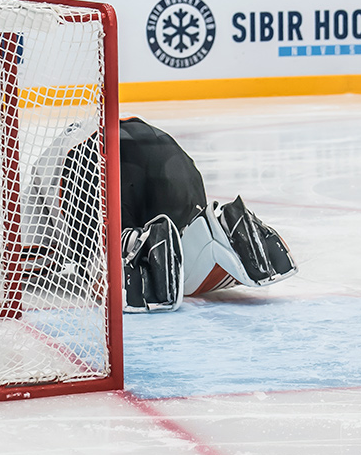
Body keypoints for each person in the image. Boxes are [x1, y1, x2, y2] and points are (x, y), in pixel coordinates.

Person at [21, 117, 298, 312]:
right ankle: (226, 227)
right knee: (188, 243)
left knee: (105, 266)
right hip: (162, 146)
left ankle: (131, 242)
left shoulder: (40, 175)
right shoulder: (59, 151)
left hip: (91, 160)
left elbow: (33, 258)